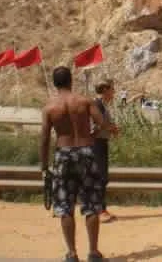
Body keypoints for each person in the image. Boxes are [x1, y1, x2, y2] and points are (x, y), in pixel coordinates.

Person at [40, 66, 107, 262]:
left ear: (54, 83)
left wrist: (44, 166)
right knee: (92, 203)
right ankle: (93, 252)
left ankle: (71, 253)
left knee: (64, 205)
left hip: (63, 154)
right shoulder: (84, 101)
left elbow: (44, 139)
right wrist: (91, 136)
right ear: (71, 80)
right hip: (86, 152)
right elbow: (101, 123)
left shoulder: (49, 108)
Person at [92, 80, 120, 223]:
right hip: (96, 144)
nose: (113, 93)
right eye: (112, 90)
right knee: (101, 177)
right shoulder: (96, 105)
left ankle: (101, 208)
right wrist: (111, 128)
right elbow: (95, 126)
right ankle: (99, 211)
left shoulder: (101, 106)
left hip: (101, 143)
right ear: (104, 90)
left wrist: (110, 128)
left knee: (102, 177)